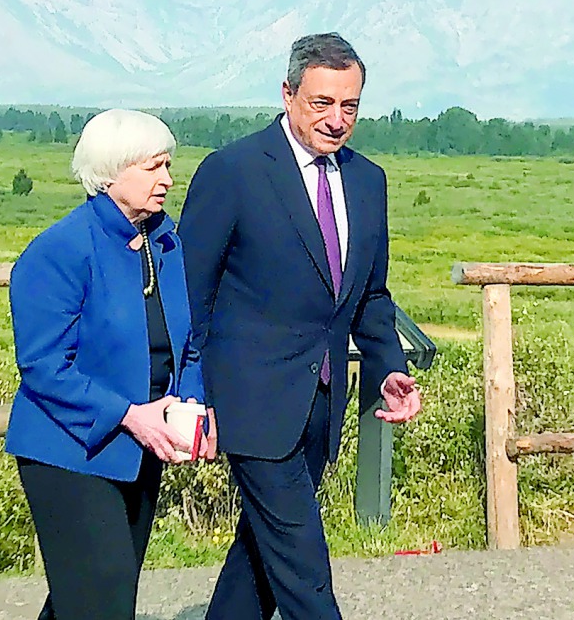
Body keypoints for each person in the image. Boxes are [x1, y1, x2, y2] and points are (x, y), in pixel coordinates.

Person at [179, 33, 422, 620]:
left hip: (321, 404)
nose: (337, 120)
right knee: (303, 563)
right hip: (249, 402)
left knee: (261, 557)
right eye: (322, 103)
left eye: (350, 106)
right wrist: (190, 395)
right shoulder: (232, 171)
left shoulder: (369, 181)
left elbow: (370, 296)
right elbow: (190, 295)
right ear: (288, 95)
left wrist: (389, 367)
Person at [5, 109, 215, 620]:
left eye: (168, 165)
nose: (168, 179)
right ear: (109, 172)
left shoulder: (166, 244)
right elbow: (43, 366)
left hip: (141, 449)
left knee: (86, 600)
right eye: (153, 167)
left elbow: (186, 343)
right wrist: (127, 413)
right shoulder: (59, 250)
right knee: (103, 600)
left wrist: (193, 406)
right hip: (69, 452)